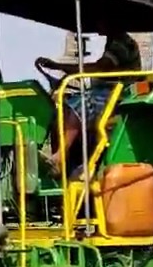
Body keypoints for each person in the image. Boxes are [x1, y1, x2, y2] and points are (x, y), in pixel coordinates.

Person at [35, 31, 143, 177]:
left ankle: (60, 157)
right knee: (63, 107)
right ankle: (68, 167)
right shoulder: (113, 42)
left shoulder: (121, 44)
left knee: (78, 104)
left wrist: (60, 66)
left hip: (117, 94)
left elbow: (99, 68)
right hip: (105, 92)